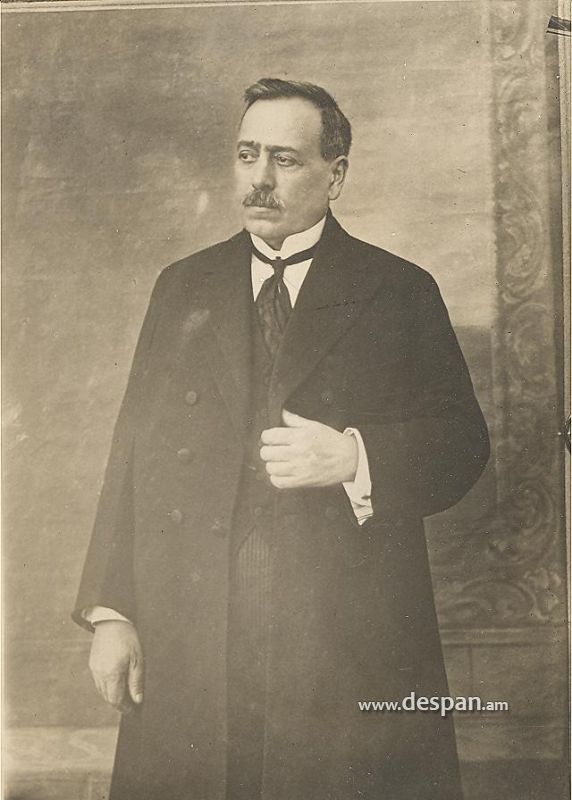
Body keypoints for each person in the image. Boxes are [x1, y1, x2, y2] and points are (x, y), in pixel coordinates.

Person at [73, 78, 490, 800]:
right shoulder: (182, 287)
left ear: (336, 174)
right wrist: (112, 612)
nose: (259, 179)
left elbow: (463, 443)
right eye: (247, 155)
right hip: (194, 624)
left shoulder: (398, 288)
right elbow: (131, 456)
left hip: (341, 632)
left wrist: (355, 456)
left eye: (286, 160)